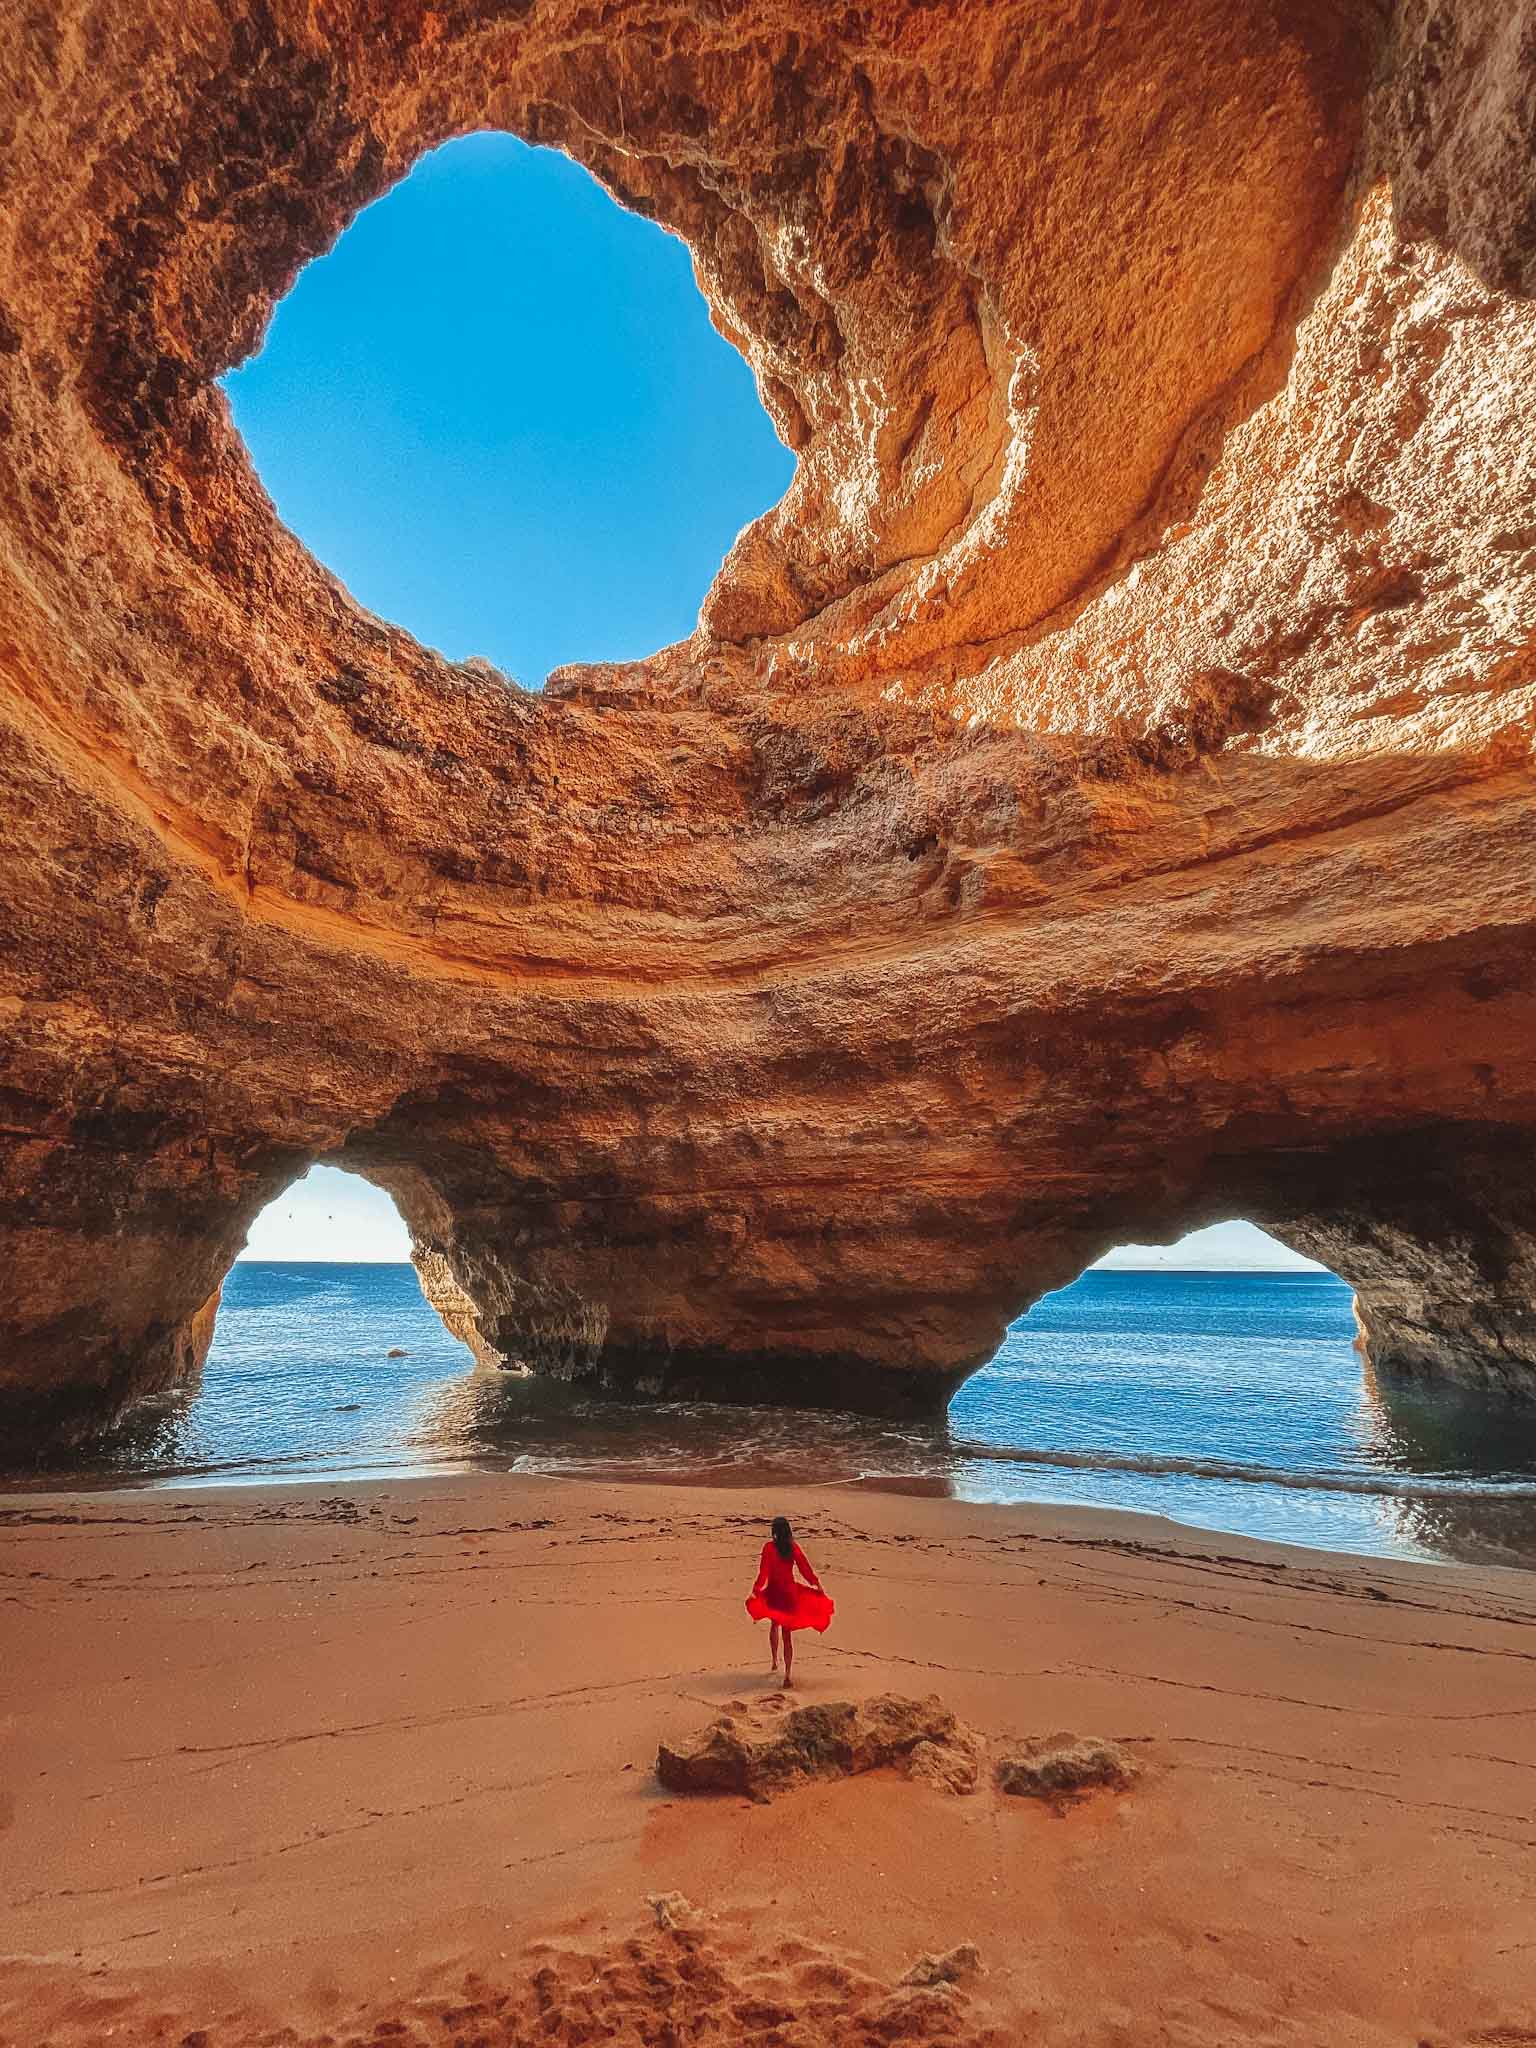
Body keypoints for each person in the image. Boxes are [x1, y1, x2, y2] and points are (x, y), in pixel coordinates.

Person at [745, 1515, 833, 1687]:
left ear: (774, 1532)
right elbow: (805, 1568)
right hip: (789, 1594)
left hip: (775, 1593)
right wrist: (816, 1584)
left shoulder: (769, 1548)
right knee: (787, 1635)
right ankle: (787, 1674)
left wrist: (755, 1591)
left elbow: (763, 1572)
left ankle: (774, 1661)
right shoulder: (792, 1547)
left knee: (774, 1625)